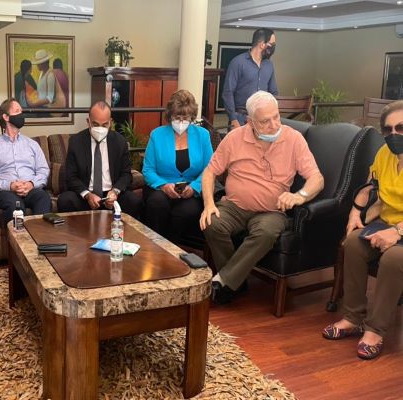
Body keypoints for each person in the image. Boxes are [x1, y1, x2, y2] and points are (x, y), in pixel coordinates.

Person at [200, 91, 324, 304]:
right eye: (265, 121)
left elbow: (317, 178)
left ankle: (224, 282)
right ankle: (235, 282)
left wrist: (299, 195)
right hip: (235, 206)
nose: (274, 125)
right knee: (212, 222)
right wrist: (209, 204)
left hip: (272, 210)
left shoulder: (293, 139)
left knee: (266, 231)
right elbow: (210, 172)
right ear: (250, 122)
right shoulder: (234, 138)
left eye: (276, 117)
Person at [322, 100, 403, 360]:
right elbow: (370, 188)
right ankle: (353, 317)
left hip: (399, 231)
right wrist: (355, 214)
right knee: (354, 242)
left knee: (393, 257)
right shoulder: (385, 154)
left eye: (400, 128)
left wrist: (397, 233)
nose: (394, 135)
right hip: (388, 222)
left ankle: (376, 329)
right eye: (388, 130)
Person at [142, 90, 213, 242]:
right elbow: (148, 170)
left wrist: (194, 187)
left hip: (191, 191)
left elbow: (209, 169)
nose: (180, 122)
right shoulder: (157, 134)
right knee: (157, 204)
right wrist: (163, 185)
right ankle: (154, 248)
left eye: (185, 118)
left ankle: (171, 251)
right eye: (176, 118)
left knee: (185, 211)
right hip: (160, 188)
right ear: (170, 116)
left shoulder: (203, 135)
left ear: (192, 117)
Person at [57, 101, 142, 219]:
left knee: (133, 200)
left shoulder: (120, 142)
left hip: (111, 196)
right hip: (86, 197)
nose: (100, 129)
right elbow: (71, 177)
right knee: (65, 200)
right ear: (88, 122)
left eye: (104, 125)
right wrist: (88, 195)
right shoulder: (76, 142)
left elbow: (126, 174)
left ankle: (123, 235)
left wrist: (115, 192)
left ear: (110, 123)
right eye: (96, 124)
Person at [0, 98, 51, 224]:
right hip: (5, 192)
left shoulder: (32, 144)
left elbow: (43, 170)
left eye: (22, 111)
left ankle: (41, 241)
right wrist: (10, 185)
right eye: (17, 111)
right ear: (6, 117)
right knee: (15, 205)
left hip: (31, 189)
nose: (22, 114)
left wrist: (31, 184)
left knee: (43, 197)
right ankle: (19, 242)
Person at [222, 28, 278, 131]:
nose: (274, 47)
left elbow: (273, 92)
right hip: (240, 118)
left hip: (262, 118)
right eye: (272, 44)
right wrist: (233, 119)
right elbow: (228, 92)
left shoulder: (269, 65)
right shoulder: (238, 62)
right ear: (262, 44)